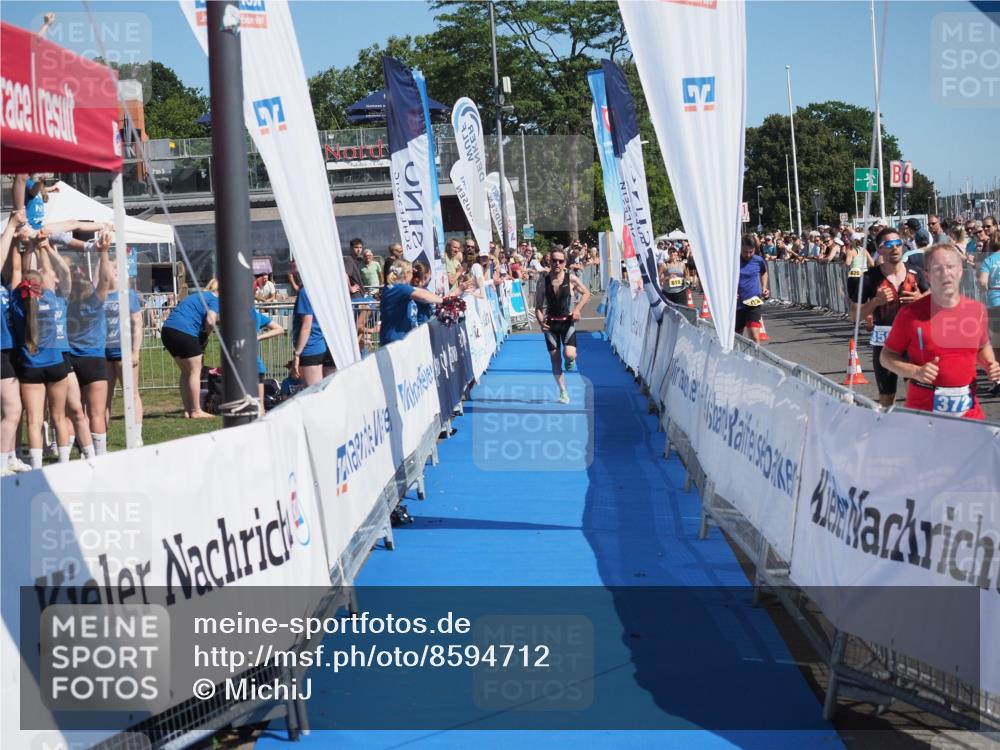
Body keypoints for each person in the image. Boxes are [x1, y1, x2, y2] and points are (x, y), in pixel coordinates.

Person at [881, 243, 1000, 420]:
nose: (946, 273)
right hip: (924, 413)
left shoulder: (976, 310)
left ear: (960, 270)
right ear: (927, 275)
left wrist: (991, 365)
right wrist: (915, 371)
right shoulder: (910, 314)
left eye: (951, 267)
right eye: (938, 269)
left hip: (969, 412)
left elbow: (982, 346)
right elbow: (886, 357)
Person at [854, 228, 929, 409]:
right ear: (879, 250)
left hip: (911, 340)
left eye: (898, 244)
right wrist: (876, 302)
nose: (895, 248)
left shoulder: (915, 272)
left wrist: (921, 299)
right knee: (886, 398)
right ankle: (886, 432)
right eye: (889, 244)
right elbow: (854, 315)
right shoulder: (870, 278)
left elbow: (937, 298)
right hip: (884, 342)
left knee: (916, 393)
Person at [10, 255, 72, 469]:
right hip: (56, 365)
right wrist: (41, 247)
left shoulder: (17, 305)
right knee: (59, 417)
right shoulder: (52, 299)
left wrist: (24, 249)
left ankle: (37, 468)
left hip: (31, 368)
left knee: (34, 421)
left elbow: (17, 269)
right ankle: (64, 464)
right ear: (42, 285)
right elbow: (47, 269)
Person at [67, 229, 114, 457]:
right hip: (93, 358)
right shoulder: (95, 300)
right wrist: (103, 253)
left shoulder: (64, 303)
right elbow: (105, 280)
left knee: (74, 411)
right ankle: (100, 454)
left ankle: (70, 454)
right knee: (96, 412)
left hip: (71, 360)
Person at [534, 245, 590, 404]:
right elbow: (538, 307)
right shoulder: (543, 282)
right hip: (551, 324)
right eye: (554, 261)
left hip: (567, 322)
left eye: (560, 261)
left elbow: (586, 293)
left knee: (569, 354)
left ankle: (571, 359)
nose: (557, 264)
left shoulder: (571, 278)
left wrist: (577, 309)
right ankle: (563, 391)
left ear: (565, 263)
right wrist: (540, 322)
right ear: (549, 261)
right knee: (554, 358)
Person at [161, 279, 219, 418]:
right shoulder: (214, 299)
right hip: (185, 331)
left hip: (167, 331)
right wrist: (205, 334)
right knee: (195, 371)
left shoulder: (198, 295)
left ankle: (188, 410)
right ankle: (196, 410)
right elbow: (210, 321)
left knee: (186, 372)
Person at [1, 212, 32, 473]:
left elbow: (17, 268)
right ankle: (2, 462)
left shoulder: (6, 285)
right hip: (0, 351)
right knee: (12, 409)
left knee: (14, 410)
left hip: (11, 349)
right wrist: (11, 224)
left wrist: (22, 243)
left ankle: (11, 456)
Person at [104, 271, 144, 441]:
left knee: (132, 394)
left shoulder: (129, 295)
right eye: (111, 271)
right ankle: (101, 438)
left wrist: (136, 350)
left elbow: (137, 323)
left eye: (115, 271)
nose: (113, 274)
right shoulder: (100, 295)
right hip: (104, 353)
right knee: (104, 397)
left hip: (124, 351)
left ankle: (136, 436)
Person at [380, 259, 446, 345]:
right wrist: (443, 301)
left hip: (398, 338)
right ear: (406, 274)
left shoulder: (395, 287)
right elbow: (424, 297)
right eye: (411, 272)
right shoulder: (399, 288)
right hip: (395, 340)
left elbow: (421, 291)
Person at [290, 284, 335, 386]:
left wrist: (297, 355)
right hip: (318, 345)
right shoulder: (318, 289)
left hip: (310, 348)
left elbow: (306, 327)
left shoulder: (305, 292)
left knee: (313, 394)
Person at [736, 235, 769, 343]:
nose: (748, 255)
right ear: (740, 248)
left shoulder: (758, 260)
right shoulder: (733, 261)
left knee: (755, 336)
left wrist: (764, 288)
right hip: (737, 304)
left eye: (751, 251)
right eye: (745, 252)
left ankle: (756, 359)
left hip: (753, 302)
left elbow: (764, 273)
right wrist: (730, 293)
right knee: (736, 337)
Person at [978, 229, 1000, 396]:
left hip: (994, 303)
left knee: (996, 346)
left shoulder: (989, 260)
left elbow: (983, 282)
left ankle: (998, 381)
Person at [253, 306, 284, 411]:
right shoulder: (256, 315)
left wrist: (259, 337)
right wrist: (259, 337)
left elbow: (280, 329)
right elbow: (280, 329)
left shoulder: (254, 315)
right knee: (258, 407)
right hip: (256, 366)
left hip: (252, 365)